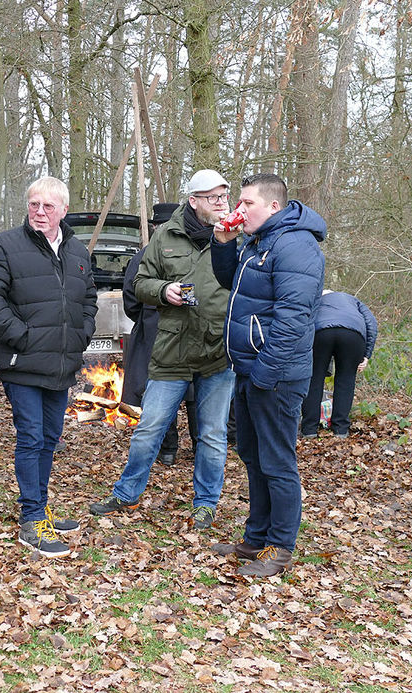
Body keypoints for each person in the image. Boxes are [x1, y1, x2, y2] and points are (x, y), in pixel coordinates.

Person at [89, 170, 235, 530]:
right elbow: (138, 283)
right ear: (194, 201)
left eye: (224, 195)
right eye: (213, 197)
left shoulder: (239, 235)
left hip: (219, 350)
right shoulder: (165, 236)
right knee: (149, 428)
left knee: (213, 435)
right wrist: (163, 290)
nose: (221, 203)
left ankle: (205, 504)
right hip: (172, 349)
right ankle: (125, 494)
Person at [0, 176, 97, 558]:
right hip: (22, 361)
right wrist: (23, 336)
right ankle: (32, 518)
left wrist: (80, 335)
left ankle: (40, 507)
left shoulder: (77, 251)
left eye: (48, 206)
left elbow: (88, 300)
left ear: (63, 210)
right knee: (30, 437)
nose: (39, 213)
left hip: (61, 363)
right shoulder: (3, 246)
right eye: (33, 205)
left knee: (49, 438)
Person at [210, 172, 326, 577]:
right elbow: (234, 285)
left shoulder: (296, 246)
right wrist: (223, 245)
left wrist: (264, 373)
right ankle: (256, 538)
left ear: (273, 206)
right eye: (238, 203)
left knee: (277, 461)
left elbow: (293, 321)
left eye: (247, 203)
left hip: (276, 374)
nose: (238, 210)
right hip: (250, 368)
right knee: (253, 456)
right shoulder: (260, 241)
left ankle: (279, 547)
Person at [119, 202, 198, 466]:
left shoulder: (143, 255)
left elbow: (130, 299)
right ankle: (198, 445)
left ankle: (168, 449)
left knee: (163, 389)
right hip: (185, 329)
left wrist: (146, 318)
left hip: (157, 328)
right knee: (191, 390)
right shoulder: (193, 254)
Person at [300, 290, 377, 439]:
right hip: (353, 335)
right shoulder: (353, 301)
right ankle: (341, 429)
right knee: (346, 379)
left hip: (321, 333)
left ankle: (309, 429)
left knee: (314, 379)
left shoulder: (315, 300)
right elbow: (371, 323)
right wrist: (367, 354)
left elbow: (303, 320)